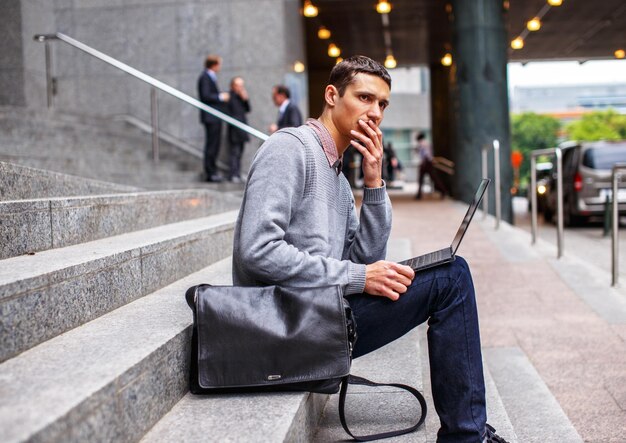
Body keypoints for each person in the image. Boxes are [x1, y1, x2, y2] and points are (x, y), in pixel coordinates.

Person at [232, 55, 508, 443]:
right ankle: (466, 437)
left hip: (319, 315)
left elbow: (363, 260)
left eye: (382, 104)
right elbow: (257, 251)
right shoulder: (288, 149)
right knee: (451, 279)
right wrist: (361, 276)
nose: (375, 112)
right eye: (364, 98)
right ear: (332, 95)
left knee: (449, 270)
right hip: (283, 326)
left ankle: (468, 432)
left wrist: (374, 183)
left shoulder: (339, 179)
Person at [198, 55, 229, 182]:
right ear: (214, 64)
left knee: (215, 144)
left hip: (215, 116)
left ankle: (212, 170)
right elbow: (205, 96)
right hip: (211, 117)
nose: (220, 67)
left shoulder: (210, 77)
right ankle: (210, 172)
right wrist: (221, 97)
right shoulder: (205, 77)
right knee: (212, 144)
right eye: (219, 64)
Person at [226, 76, 250, 182]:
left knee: (240, 152)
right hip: (234, 129)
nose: (240, 88)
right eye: (238, 85)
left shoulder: (241, 97)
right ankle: (233, 174)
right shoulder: (229, 96)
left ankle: (238, 174)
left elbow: (248, 109)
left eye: (241, 85)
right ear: (233, 86)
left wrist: (245, 99)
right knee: (234, 152)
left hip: (242, 127)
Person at [416, 132, 448, 199]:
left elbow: (425, 154)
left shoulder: (422, 144)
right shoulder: (427, 143)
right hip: (428, 162)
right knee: (433, 178)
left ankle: (443, 191)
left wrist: (424, 163)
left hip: (426, 163)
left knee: (425, 179)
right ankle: (443, 191)